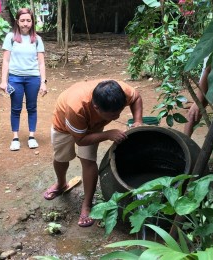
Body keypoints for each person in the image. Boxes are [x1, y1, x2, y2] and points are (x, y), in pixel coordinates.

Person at [43, 79, 143, 227]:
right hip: (65, 124)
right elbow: (81, 140)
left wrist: (138, 121)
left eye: (119, 112)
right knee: (61, 157)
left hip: (93, 126)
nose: (116, 117)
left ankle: (87, 204)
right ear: (96, 107)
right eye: (112, 115)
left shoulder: (120, 92)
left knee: (88, 160)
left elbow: (136, 98)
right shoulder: (76, 108)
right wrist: (107, 134)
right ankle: (61, 183)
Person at [0, 8, 47, 151]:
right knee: (16, 108)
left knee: (32, 108)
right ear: (17, 22)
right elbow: (6, 61)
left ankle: (32, 137)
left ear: (32, 22)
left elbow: (41, 63)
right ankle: (15, 138)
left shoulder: (37, 40)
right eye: (22, 20)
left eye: (28, 20)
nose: (25, 24)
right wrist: (4, 80)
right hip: (15, 78)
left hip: (33, 78)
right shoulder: (10, 37)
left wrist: (43, 82)